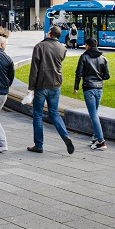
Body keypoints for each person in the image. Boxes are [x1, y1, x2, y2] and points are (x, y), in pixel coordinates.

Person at [27, 25, 74, 154]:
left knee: (38, 114)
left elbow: (34, 69)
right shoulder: (62, 49)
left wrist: (31, 88)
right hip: (55, 84)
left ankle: (39, 144)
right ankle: (65, 136)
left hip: (41, 85)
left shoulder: (39, 46)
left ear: (50, 34)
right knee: (54, 113)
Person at [74, 37, 110, 151]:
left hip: (88, 87)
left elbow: (78, 73)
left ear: (87, 46)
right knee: (95, 112)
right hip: (99, 88)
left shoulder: (84, 57)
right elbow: (106, 76)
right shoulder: (103, 58)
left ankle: (101, 140)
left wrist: (76, 87)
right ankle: (95, 137)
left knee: (93, 114)